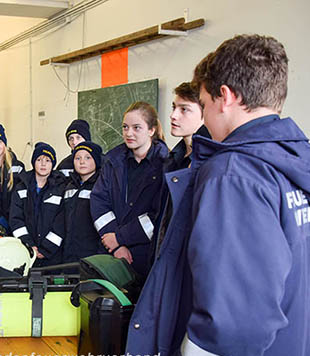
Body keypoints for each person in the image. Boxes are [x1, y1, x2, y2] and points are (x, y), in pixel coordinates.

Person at [117, 34, 310, 356]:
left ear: (225, 97)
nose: (205, 115)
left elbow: (233, 325)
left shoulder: (234, 174)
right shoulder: (300, 167)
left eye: (205, 102)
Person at [90, 102, 168, 277]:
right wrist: (115, 244)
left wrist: (120, 238)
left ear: (151, 130)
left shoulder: (166, 166)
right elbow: (99, 201)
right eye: (125, 127)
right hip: (111, 253)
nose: (129, 133)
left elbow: (158, 216)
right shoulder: (113, 162)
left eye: (136, 127)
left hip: (146, 257)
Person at [150, 82, 209, 260]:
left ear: (205, 114)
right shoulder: (173, 159)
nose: (173, 115)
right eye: (174, 107)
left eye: (184, 109)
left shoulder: (210, 162)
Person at [9, 142, 65, 266]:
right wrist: (29, 245)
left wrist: (47, 248)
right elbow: (16, 220)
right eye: (39, 159)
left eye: (48, 160)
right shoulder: (21, 187)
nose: (43, 164)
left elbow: (61, 222)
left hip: (53, 256)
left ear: (53, 164)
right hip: (26, 253)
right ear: (33, 162)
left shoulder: (61, 188)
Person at [62, 141, 104, 262]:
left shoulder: (102, 187)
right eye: (77, 158)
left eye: (87, 157)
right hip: (69, 254)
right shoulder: (69, 186)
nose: (82, 162)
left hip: (93, 255)